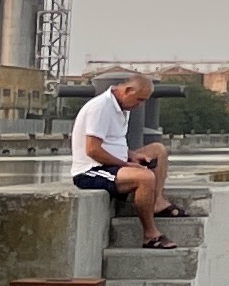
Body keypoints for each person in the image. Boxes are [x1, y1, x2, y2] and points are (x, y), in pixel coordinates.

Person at [66, 73, 170, 248]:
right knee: (145, 177)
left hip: (111, 165)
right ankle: (150, 235)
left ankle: (157, 203)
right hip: (91, 170)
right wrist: (126, 164)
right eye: (139, 100)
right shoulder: (100, 107)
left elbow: (111, 142)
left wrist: (132, 155)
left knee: (158, 151)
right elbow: (92, 150)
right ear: (128, 90)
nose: (140, 105)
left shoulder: (122, 107)